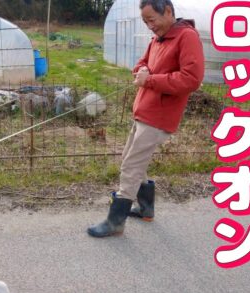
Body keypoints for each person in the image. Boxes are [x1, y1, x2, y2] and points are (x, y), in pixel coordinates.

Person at [88, 0, 205, 238]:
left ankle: (115, 222)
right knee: (129, 159)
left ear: (169, 12)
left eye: (152, 20)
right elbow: (142, 64)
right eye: (145, 22)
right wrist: (142, 71)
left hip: (159, 116)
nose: (150, 26)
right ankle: (145, 208)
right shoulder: (158, 39)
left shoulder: (186, 37)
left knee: (131, 166)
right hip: (144, 111)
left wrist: (150, 80)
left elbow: (191, 78)